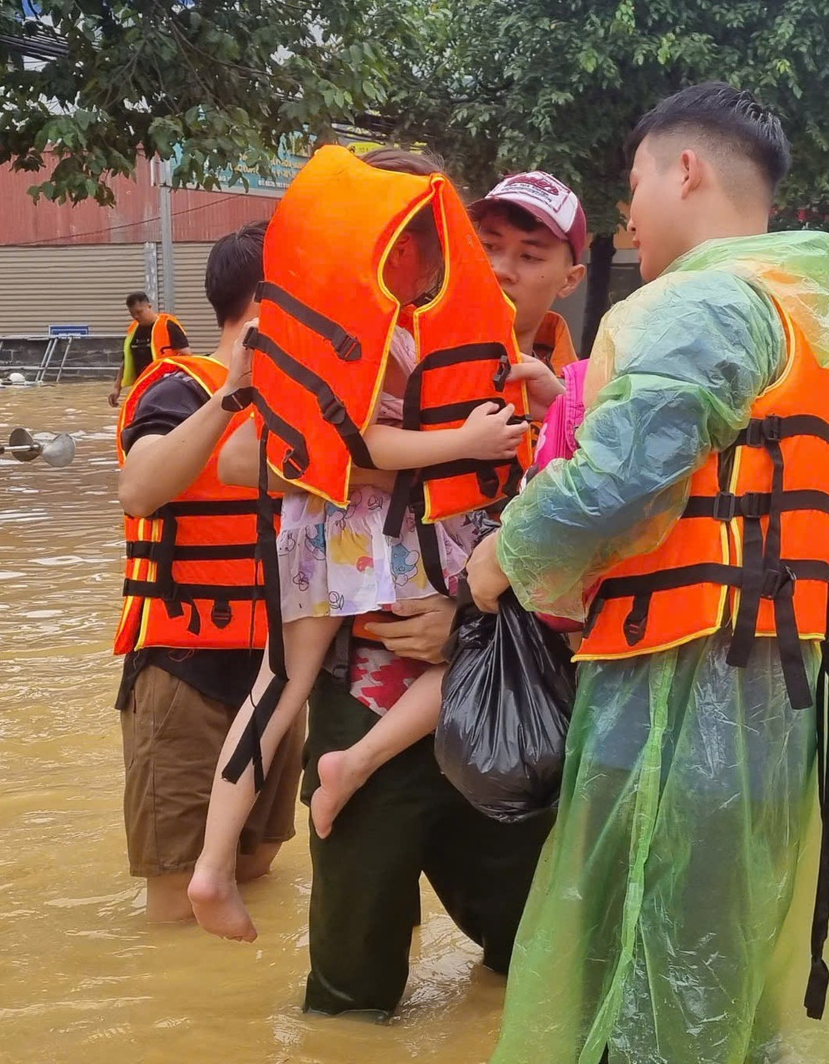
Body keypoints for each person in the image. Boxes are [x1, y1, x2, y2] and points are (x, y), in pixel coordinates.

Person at [466, 82, 829, 1063]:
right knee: (716, 971)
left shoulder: (711, 300)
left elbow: (619, 472)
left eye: (632, 182)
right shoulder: (790, 305)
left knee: (649, 976)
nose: (627, 212)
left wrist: (502, 556)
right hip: (756, 698)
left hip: (684, 697)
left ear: (685, 169)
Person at [215, 147, 553, 1018]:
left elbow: (592, 562)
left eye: (533, 251)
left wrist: (471, 617)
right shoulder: (371, 338)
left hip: (499, 707)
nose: (504, 268)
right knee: (353, 996)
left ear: (569, 272)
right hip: (366, 685)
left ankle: (233, 852)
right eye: (490, 244)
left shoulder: (572, 392)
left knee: (535, 957)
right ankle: (228, 858)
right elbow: (251, 454)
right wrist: (367, 469)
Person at [113, 223, 302, 924]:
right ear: (265, 302)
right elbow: (139, 489)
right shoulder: (175, 387)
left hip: (277, 673)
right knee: (174, 907)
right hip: (184, 668)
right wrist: (234, 396)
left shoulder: (305, 401)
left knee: (254, 874)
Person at [471, 170, 589, 371]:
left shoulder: (582, 397)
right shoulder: (405, 357)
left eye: (529, 256)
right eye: (488, 246)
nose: (500, 270)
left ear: (569, 280)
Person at [109, 292, 190, 408]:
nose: (136, 317)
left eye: (139, 312)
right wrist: (116, 388)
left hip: (167, 390)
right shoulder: (133, 331)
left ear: (149, 307)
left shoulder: (168, 326)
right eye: (132, 314)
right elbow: (125, 363)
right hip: (142, 389)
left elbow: (187, 357)